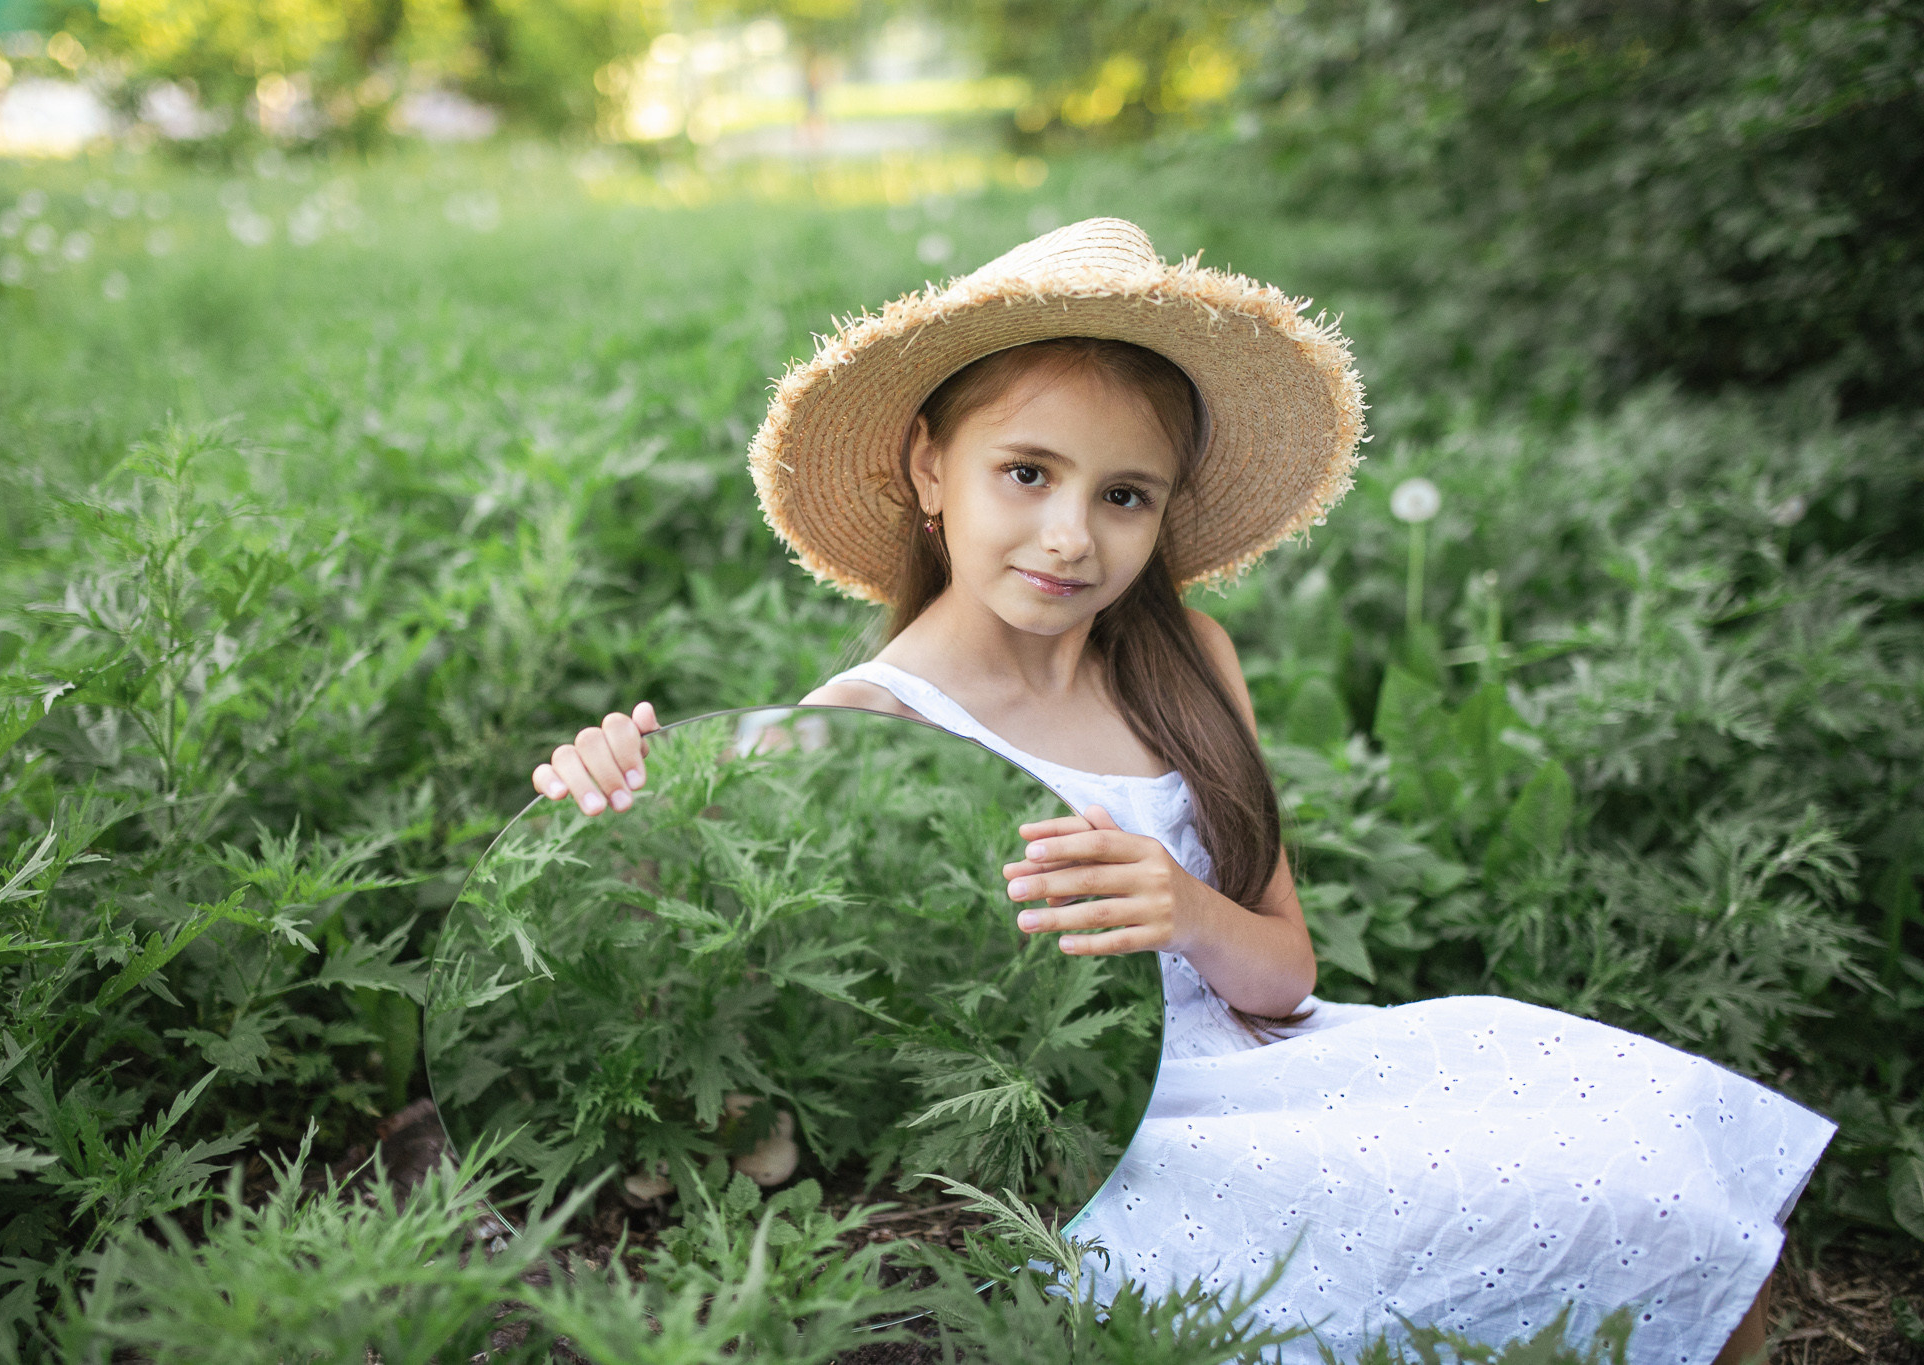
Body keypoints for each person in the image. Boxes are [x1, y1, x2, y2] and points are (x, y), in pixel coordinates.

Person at [528, 218, 1830, 1363]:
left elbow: (1283, 974)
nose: (1070, 534)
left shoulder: (1186, 658)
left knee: (1651, 1150)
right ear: (931, 469)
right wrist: (625, 812)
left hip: (1272, 1061)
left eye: (1125, 494)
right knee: (1554, 1212)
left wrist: (1187, 908)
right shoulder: (860, 727)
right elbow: (719, 986)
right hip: (1102, 1143)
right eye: (1026, 472)